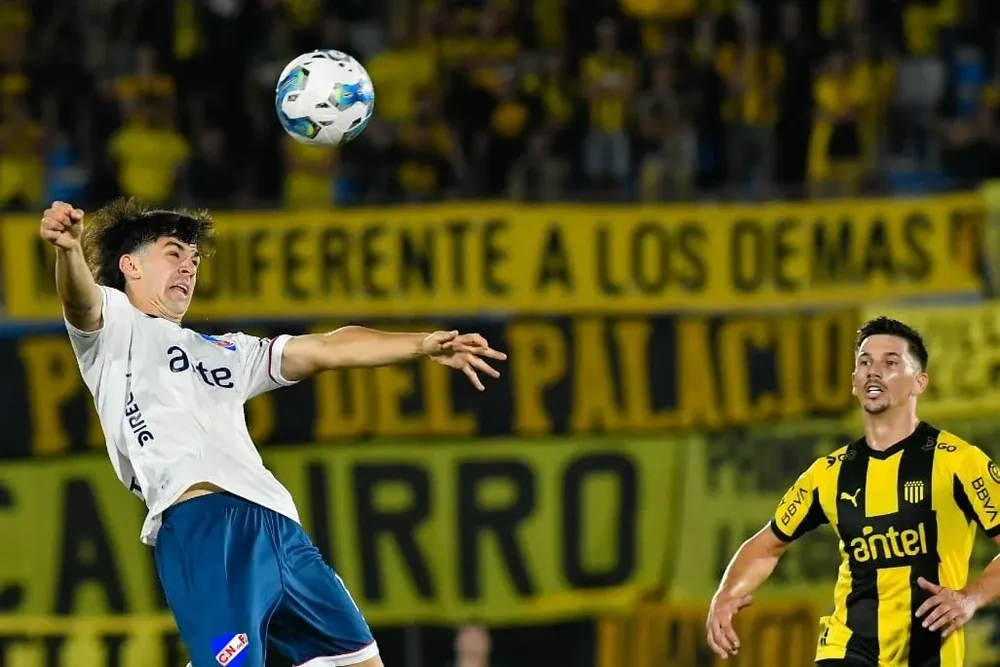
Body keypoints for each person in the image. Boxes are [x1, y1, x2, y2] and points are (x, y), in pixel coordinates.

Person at [40, 198, 508, 667]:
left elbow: (326, 348)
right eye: (173, 253)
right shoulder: (114, 327)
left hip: (282, 529)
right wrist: (69, 252)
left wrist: (421, 344)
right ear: (130, 266)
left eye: (195, 259)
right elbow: (80, 301)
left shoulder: (227, 351)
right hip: (206, 524)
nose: (188, 268)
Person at [706, 316, 1000, 667]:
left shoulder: (959, 462)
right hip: (847, 648)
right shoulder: (828, 474)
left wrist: (969, 598)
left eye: (890, 362)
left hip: (929, 652)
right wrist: (726, 595)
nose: (873, 371)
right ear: (854, 383)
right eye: (864, 362)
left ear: (919, 382)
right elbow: (768, 544)